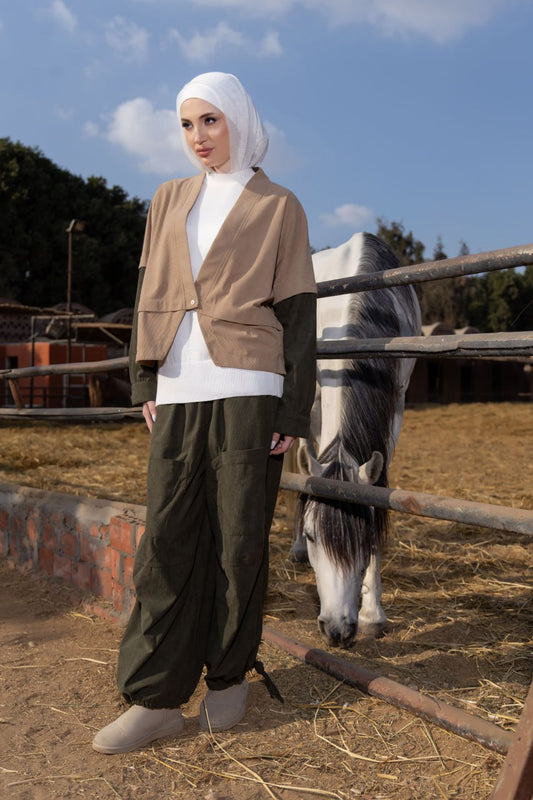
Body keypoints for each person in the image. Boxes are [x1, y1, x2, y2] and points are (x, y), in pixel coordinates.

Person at [92, 71, 317, 754]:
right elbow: (148, 292)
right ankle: (155, 697)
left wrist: (292, 409)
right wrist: (145, 378)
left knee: (238, 540)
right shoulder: (167, 198)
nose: (198, 136)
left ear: (239, 121)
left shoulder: (280, 205)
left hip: (250, 386)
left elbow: (298, 314)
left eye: (210, 121)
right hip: (178, 387)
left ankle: (227, 678)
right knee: (165, 543)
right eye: (187, 124)